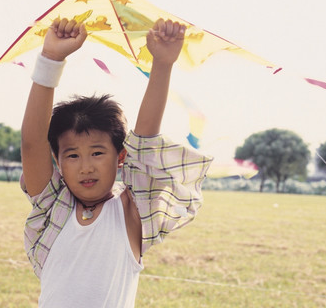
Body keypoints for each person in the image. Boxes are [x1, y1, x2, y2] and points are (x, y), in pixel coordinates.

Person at [20, 17, 213, 307]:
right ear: (58, 162)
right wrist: (51, 57)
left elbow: (145, 140)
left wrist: (162, 64)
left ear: (121, 156)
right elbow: (32, 142)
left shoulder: (132, 209)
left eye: (97, 153)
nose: (86, 166)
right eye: (72, 155)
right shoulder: (52, 205)